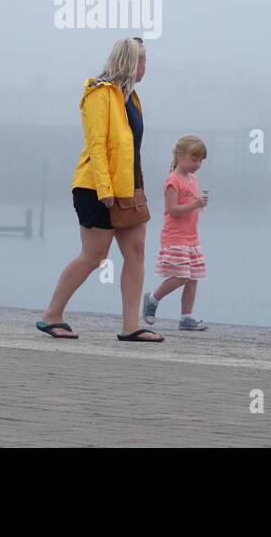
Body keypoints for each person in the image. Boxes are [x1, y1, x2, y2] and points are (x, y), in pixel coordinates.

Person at [38, 37, 162, 342]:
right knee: (94, 256)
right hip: (96, 187)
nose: (147, 67)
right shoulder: (99, 93)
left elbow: (130, 148)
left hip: (129, 188)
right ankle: (52, 315)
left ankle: (131, 326)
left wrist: (135, 188)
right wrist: (106, 191)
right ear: (131, 62)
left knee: (136, 253)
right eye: (143, 61)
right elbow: (97, 144)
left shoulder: (131, 98)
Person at [142, 135, 209, 330]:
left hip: (192, 237)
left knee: (193, 277)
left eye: (200, 160)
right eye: (193, 159)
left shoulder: (193, 179)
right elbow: (172, 210)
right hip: (175, 236)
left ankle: (186, 318)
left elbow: (190, 206)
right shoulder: (172, 180)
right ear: (180, 155)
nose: (197, 164)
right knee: (181, 276)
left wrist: (199, 205)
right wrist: (195, 204)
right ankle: (153, 299)